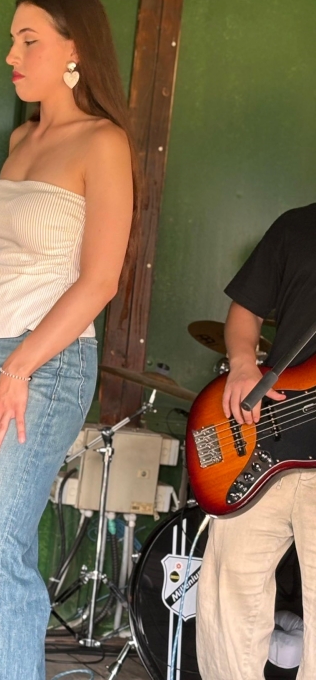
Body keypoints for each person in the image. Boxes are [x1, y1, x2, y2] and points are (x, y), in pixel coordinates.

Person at [0, 0, 135, 680]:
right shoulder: (22, 139)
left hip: (45, 364)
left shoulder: (103, 142)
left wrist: (20, 364)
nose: (11, 56)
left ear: (75, 49)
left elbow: (100, 280)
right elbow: (6, 259)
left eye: (29, 41)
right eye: (12, 41)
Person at [196, 203, 316, 679]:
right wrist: (244, 364)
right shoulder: (298, 225)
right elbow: (245, 309)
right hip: (267, 439)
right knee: (227, 598)